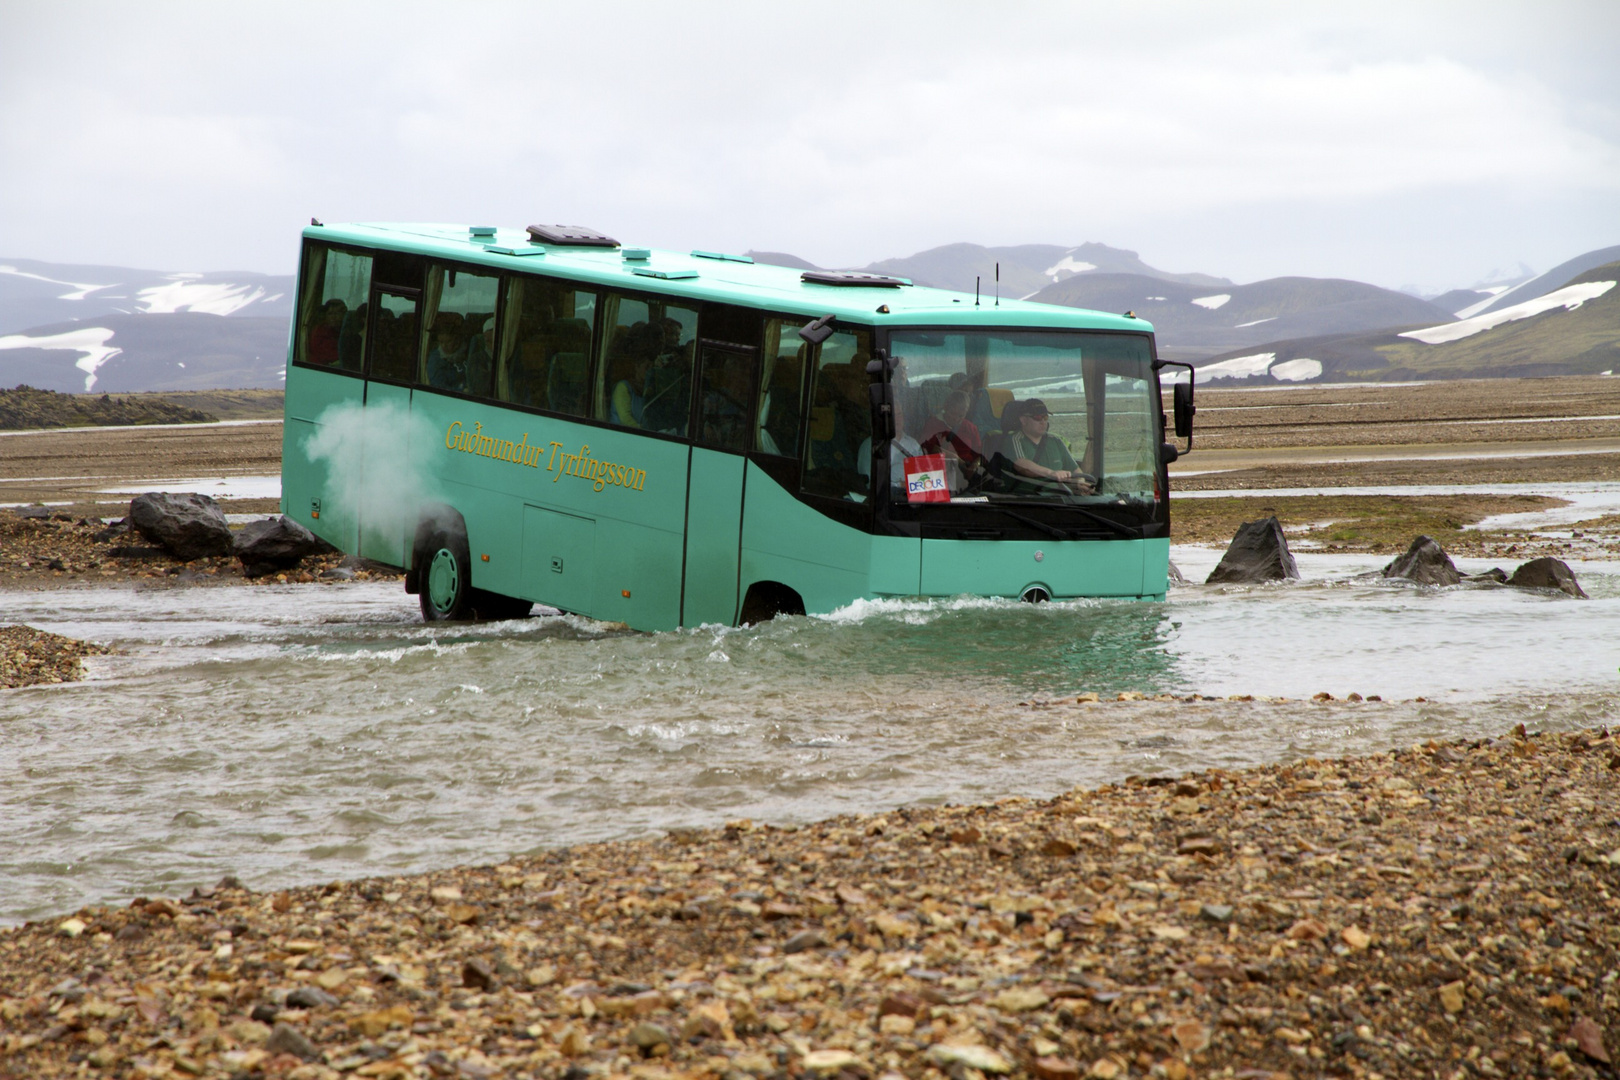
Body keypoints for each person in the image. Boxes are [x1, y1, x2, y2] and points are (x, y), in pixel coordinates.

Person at [1001, 398, 1094, 494]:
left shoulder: (1056, 440)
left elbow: (1075, 469)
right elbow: (1021, 464)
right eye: (1037, 418)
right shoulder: (1014, 440)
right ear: (1023, 420)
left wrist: (1080, 483)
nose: (1043, 422)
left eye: (1045, 418)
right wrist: (1051, 473)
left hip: (1061, 499)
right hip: (1027, 500)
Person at [857, 399, 924, 492]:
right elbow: (869, 484)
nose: (897, 419)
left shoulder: (914, 444)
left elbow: (923, 477)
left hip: (915, 501)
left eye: (899, 414)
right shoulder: (871, 445)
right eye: (892, 415)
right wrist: (900, 485)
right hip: (887, 501)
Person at [307, 299, 345, 364]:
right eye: (330, 314)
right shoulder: (320, 332)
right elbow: (330, 356)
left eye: (337, 313)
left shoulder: (343, 330)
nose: (333, 317)